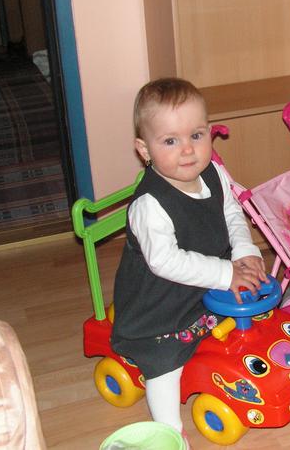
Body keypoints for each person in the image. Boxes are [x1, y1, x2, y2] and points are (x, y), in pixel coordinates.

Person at [110, 77, 268, 444]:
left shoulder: (214, 173)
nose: (187, 150)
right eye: (170, 141)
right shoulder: (150, 204)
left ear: (210, 132)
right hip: (160, 304)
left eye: (196, 135)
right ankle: (168, 431)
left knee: (255, 313)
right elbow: (166, 262)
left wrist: (244, 251)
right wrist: (226, 272)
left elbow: (232, 213)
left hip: (206, 284)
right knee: (165, 362)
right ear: (144, 150)